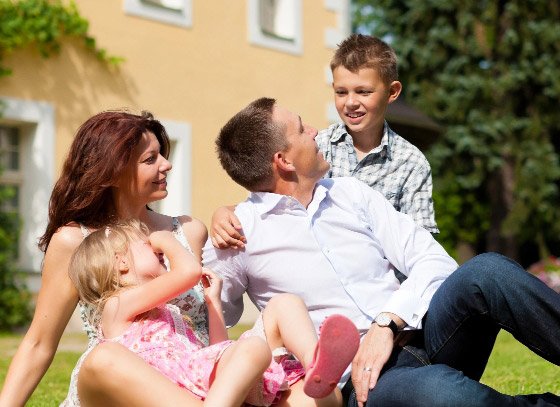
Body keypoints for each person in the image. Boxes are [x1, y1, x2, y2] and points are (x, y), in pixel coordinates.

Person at [203, 97, 560, 407]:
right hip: (365, 384)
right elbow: (205, 322)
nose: (315, 130)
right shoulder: (239, 233)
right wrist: (207, 230)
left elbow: (434, 260)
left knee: (487, 272)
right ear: (284, 160)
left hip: (421, 332)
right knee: (438, 395)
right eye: (300, 128)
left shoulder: (351, 194)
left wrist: (387, 322)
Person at [0, 110, 208, 407]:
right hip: (113, 393)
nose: (167, 164)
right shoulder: (75, 240)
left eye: (162, 155)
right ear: (112, 172)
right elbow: (39, 343)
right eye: (150, 159)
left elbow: (209, 328)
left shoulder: (189, 231)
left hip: (192, 384)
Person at [68, 219, 360, 406]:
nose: (155, 244)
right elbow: (189, 271)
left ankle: (317, 368)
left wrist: (213, 302)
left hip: (214, 391)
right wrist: (167, 239)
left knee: (285, 305)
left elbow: (214, 353)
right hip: (185, 395)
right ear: (120, 262)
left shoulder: (168, 314)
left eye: (154, 242)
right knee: (254, 348)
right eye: (146, 244)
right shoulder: (116, 305)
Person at [210, 34, 437, 250]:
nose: (350, 102)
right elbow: (276, 203)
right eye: (341, 92)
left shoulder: (411, 162)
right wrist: (227, 211)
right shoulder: (317, 146)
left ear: (392, 91)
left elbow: (420, 242)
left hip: (384, 282)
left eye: (363, 92)